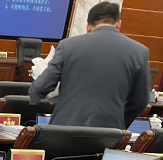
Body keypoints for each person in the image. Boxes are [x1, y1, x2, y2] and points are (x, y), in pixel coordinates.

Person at [28, 1, 149, 129]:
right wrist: (118, 124)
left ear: (88, 28)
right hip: (109, 132)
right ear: (119, 24)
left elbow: (40, 88)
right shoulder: (140, 52)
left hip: (65, 129)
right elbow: (140, 102)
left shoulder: (67, 46)